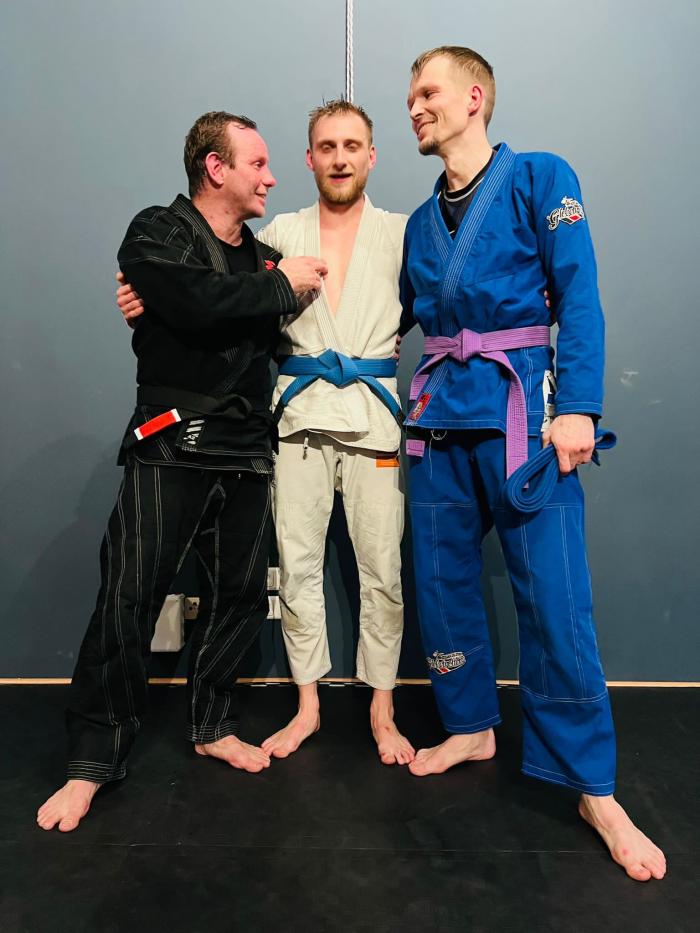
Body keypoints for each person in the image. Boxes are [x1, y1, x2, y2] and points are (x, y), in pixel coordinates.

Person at [400, 47, 666, 882]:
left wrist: (578, 403)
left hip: (522, 419)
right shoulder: (417, 222)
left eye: (428, 92)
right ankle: (471, 725)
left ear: (474, 97)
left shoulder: (541, 178)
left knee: (554, 600)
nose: (415, 106)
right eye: (410, 96)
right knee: (442, 587)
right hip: (439, 425)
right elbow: (384, 315)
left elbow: (577, 291)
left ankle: (593, 787)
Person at [37, 111, 327, 832]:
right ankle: (91, 761)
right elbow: (196, 302)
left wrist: (239, 296)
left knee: (238, 597)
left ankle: (213, 723)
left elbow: (223, 318)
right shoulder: (156, 233)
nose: (271, 177)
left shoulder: (262, 259)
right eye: (257, 163)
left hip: (247, 448)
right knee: (128, 596)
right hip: (170, 443)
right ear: (215, 168)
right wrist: (272, 290)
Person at [118, 101, 415, 766]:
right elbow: (204, 289)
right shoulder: (277, 234)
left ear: (372, 155)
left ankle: (382, 707)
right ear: (309, 158)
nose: (340, 158)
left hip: (372, 415)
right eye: (326, 147)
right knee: (297, 566)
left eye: (353, 145)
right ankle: (308, 704)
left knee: (383, 570)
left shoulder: (402, 234)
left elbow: (438, 297)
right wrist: (142, 297)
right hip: (298, 417)